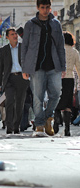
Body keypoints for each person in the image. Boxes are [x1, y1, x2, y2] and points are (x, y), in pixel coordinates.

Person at [21, 0, 66, 136]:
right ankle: (40, 124)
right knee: (38, 97)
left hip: (54, 65)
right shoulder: (30, 24)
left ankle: (48, 118)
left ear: (50, 8)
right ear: (38, 7)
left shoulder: (56, 24)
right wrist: (24, 68)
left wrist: (63, 66)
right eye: (42, 7)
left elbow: (60, 47)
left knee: (57, 94)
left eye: (47, 7)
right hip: (36, 66)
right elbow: (25, 47)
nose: (45, 10)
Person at [0, 28, 30, 134]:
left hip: (22, 78)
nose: (15, 35)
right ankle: (9, 126)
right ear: (7, 37)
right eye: (12, 34)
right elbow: (1, 68)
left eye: (16, 34)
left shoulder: (23, 47)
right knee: (9, 101)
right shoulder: (3, 50)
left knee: (20, 103)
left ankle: (16, 126)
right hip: (9, 79)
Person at [53, 31, 80, 136]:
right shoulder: (75, 52)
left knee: (56, 100)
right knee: (68, 103)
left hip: (58, 77)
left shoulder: (57, 50)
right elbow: (78, 68)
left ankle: (56, 122)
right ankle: (67, 129)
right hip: (70, 78)